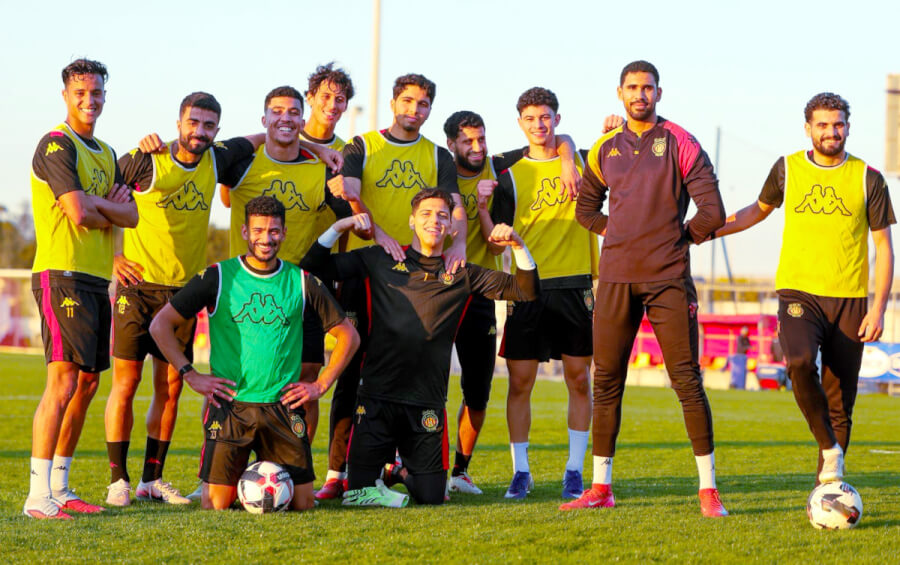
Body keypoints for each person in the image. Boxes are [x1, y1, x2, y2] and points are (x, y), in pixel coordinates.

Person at [300, 188, 539, 506]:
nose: (434, 220)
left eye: (443, 215)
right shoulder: (380, 259)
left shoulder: (461, 272)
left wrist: (519, 245)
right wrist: (339, 228)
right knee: (358, 492)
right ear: (412, 220)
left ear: (452, 227)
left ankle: (396, 472)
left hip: (426, 404)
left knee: (432, 498)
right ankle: (382, 471)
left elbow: (525, 290)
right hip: (375, 402)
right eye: (426, 213)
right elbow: (313, 267)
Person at [561, 61, 727, 516]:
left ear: (659, 92)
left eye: (648, 88)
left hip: (668, 278)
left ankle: (708, 490)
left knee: (686, 380)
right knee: (606, 379)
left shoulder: (681, 141)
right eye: (633, 88)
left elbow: (712, 212)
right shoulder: (604, 148)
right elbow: (585, 210)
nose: (640, 94)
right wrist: (618, 234)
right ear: (620, 93)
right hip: (615, 277)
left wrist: (675, 238)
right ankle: (600, 488)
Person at [708, 92, 895, 485]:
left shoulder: (868, 178)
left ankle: (830, 485)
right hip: (799, 294)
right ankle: (829, 449)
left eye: (838, 124)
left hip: (850, 300)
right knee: (798, 362)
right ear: (808, 128)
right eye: (823, 125)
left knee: (841, 400)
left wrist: (877, 309)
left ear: (848, 127)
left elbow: (883, 246)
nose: (832, 131)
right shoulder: (787, 169)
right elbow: (753, 213)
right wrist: (703, 232)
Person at [149, 196, 359, 511]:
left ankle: (263, 483)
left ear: (284, 233)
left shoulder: (301, 281)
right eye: (259, 230)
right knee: (215, 505)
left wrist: (321, 384)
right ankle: (241, 485)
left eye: (274, 231)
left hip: (282, 407)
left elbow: (348, 335)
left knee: (303, 505)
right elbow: (160, 325)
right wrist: (189, 374)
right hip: (231, 407)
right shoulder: (219, 276)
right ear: (246, 232)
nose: (266, 238)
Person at [104, 92, 261, 506]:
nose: (200, 131)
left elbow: (261, 137)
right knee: (126, 382)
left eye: (209, 125)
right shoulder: (145, 159)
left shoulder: (218, 157)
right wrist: (114, 257)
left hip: (182, 294)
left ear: (217, 131)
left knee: (170, 387)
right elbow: (104, 205)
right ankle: (118, 480)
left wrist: (318, 148)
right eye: (194, 123)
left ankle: (150, 480)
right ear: (179, 123)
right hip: (138, 285)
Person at [315, 73, 464, 500]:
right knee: (351, 369)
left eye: (422, 104)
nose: (414, 110)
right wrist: (378, 234)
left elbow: (454, 209)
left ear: (430, 109)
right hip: (372, 270)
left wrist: (459, 246)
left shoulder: (438, 156)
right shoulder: (363, 145)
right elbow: (351, 194)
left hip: (423, 275)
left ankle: (410, 464)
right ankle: (335, 473)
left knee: (421, 369)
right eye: (407, 102)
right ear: (394, 102)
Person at [25, 58, 138, 519]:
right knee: (64, 380)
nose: (89, 101)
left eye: (96, 93)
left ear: (105, 96)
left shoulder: (108, 154)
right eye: (80, 93)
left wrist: (101, 208)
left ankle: (61, 487)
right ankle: (37, 496)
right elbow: (77, 212)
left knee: (88, 384)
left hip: (96, 278)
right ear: (66, 95)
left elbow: (129, 217)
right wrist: (99, 206)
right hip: (61, 273)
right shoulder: (56, 144)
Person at [478, 87, 597, 500]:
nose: (539, 125)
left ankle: (574, 470)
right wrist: (484, 213)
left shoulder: (580, 160)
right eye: (530, 118)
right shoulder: (507, 173)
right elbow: (493, 245)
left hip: (575, 283)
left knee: (579, 379)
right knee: (520, 383)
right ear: (520, 123)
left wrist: (572, 153)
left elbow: (611, 149)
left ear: (557, 120)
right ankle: (521, 471)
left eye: (545, 117)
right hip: (526, 287)